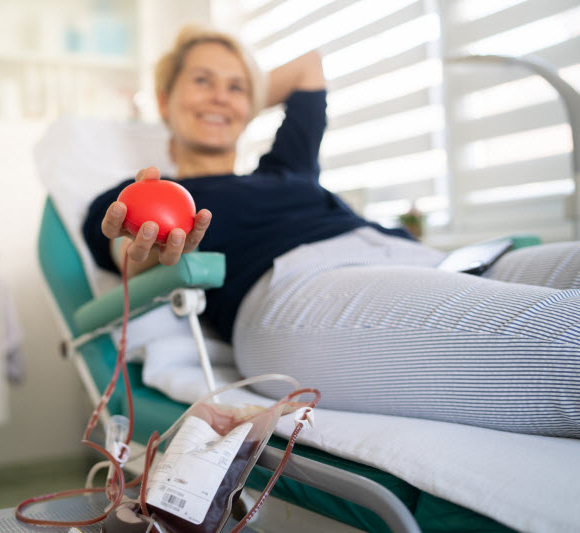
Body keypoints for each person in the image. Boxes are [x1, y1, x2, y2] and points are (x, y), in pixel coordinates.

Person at [83, 26, 580, 438]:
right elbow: (125, 245)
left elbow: (309, 67)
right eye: (202, 81)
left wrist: (229, 100)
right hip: (300, 287)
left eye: (236, 86)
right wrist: (150, 245)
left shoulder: (287, 166)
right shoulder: (147, 188)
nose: (220, 95)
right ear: (165, 98)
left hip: (419, 258)